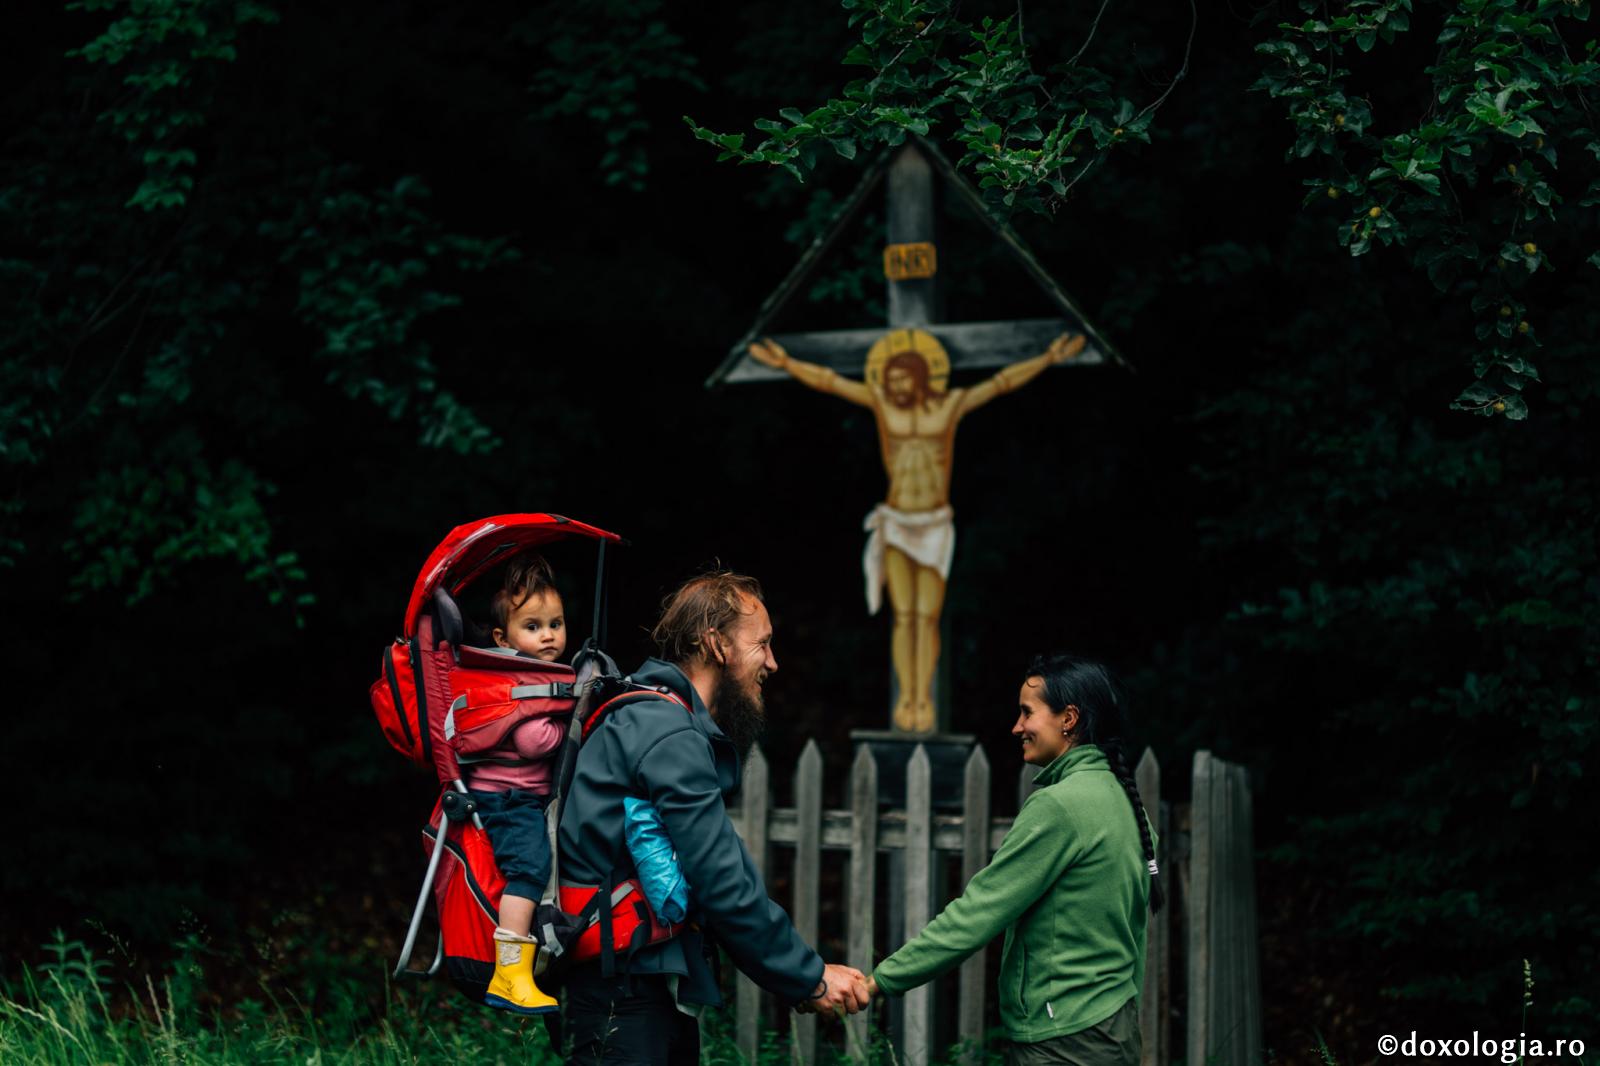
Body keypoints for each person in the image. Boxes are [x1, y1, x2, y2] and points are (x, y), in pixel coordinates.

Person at [558, 570, 870, 1065]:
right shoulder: (669, 734)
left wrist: (800, 973)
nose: (773, 661)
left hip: (633, 981)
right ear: (716, 645)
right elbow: (720, 879)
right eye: (761, 644)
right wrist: (808, 975)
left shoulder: (654, 718)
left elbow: (717, 871)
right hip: (627, 993)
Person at [747, 330, 1086, 733]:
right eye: (890, 382)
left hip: (933, 524)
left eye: (902, 380)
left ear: (921, 377)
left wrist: (1048, 357)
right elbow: (830, 381)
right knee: (904, 616)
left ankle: (922, 696)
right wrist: (786, 363)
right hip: (897, 521)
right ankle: (906, 697)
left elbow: (1001, 383)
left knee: (926, 616)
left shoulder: (949, 405)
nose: (894, 388)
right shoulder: (884, 406)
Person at [865, 654, 1164, 1066]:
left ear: (1069, 718)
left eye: (1027, 712)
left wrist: (878, 981)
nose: (1016, 727)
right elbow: (1135, 937)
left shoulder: (1061, 807)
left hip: (1063, 1039)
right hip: (1114, 1029)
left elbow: (978, 913)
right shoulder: (1127, 804)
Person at [468, 555, 570, 1014]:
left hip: (514, 794)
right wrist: (569, 729)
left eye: (555, 623)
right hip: (507, 800)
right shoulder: (515, 679)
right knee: (528, 869)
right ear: (502, 638)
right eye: (532, 626)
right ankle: (508, 972)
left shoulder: (532, 674)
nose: (548, 635)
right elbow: (532, 740)